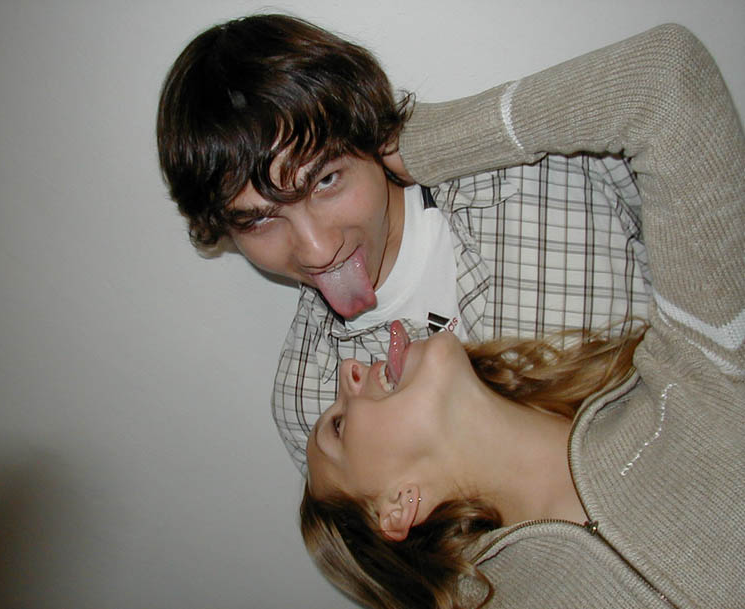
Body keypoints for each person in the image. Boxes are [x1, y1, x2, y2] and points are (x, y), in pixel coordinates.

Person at [301, 23, 744, 609]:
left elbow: (667, 81)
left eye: (324, 180)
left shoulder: (698, 369)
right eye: (337, 426)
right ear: (398, 507)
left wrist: (412, 150)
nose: (347, 372)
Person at [156, 14, 650, 472]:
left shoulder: (551, 171)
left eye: (325, 181)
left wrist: (431, 137)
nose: (316, 250)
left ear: (368, 137)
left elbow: (660, 97)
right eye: (260, 220)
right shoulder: (315, 408)